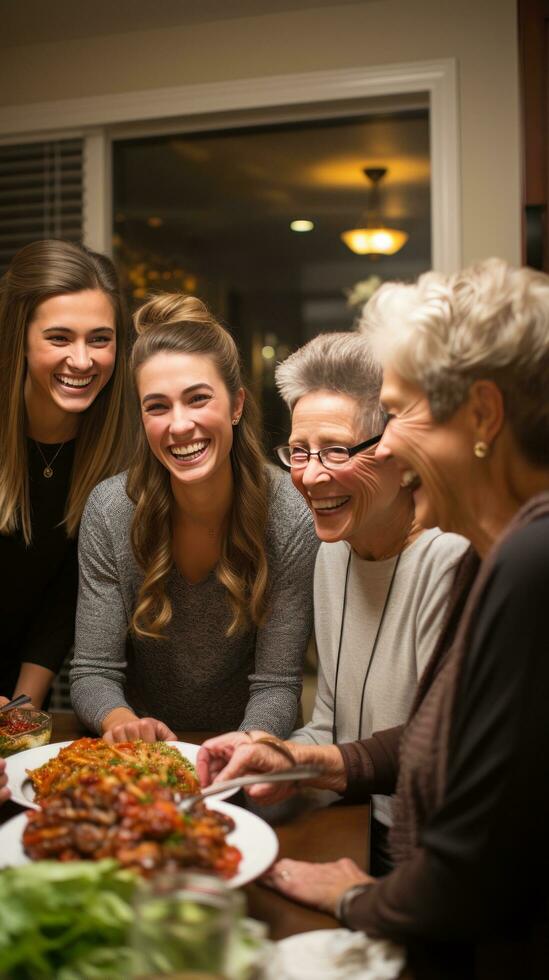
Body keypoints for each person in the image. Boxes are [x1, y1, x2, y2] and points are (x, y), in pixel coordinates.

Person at [196, 260, 549, 978]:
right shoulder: (504, 551)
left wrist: (357, 897)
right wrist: (304, 760)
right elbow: (440, 741)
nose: (385, 444)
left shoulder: (525, 559)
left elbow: (475, 859)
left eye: (403, 412)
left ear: (480, 415)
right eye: (299, 451)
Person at [199, 331, 466, 872]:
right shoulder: (332, 554)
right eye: (298, 452)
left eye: (337, 451)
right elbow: (332, 723)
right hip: (354, 825)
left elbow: (441, 745)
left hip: (430, 855)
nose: (311, 475)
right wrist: (271, 755)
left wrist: (305, 760)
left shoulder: (451, 560)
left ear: (399, 453)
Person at [70, 293, 318, 742]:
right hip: (147, 762)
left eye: (198, 398)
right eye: (157, 406)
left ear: (237, 405)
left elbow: (278, 685)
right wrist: (127, 726)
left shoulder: (289, 514)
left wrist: (244, 748)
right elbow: (93, 671)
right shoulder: (110, 510)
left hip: (251, 763)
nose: (179, 425)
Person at [0, 240, 131, 708]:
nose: (82, 360)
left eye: (100, 338)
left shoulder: (120, 452)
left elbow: (65, 596)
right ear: (20, 335)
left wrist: (21, 708)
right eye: (59, 338)